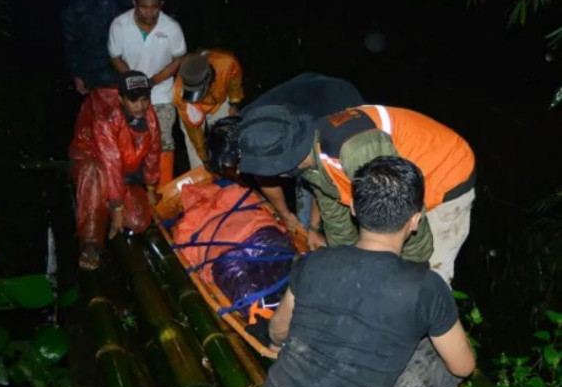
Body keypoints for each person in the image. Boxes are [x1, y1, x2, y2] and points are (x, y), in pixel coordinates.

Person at [263, 156, 475, 387]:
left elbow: (278, 329)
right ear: (415, 219)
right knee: (441, 360)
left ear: (352, 208)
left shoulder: (314, 260)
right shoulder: (427, 289)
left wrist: (277, 345)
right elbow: (463, 368)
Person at [238, 102, 475, 284]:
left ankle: (429, 334)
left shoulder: (355, 150)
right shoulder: (307, 156)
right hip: (400, 182)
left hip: (445, 174)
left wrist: (412, 271)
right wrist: (347, 262)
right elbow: (335, 212)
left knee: (427, 278)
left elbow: (403, 210)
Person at [207, 73, 365, 249]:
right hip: (309, 90)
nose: (236, 172)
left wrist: (313, 227)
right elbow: (263, 173)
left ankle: (312, 229)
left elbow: (324, 176)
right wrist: (285, 215)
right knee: (300, 170)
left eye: (235, 166)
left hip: (339, 104)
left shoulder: (266, 137)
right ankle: (302, 224)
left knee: (324, 183)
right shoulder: (242, 128)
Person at [68, 71, 161, 270]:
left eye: (144, 100)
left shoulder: (150, 116)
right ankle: (90, 242)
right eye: (133, 101)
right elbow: (111, 161)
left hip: (125, 171)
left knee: (138, 221)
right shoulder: (106, 118)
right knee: (95, 172)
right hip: (96, 162)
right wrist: (117, 207)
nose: (140, 106)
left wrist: (151, 189)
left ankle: (110, 207)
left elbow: (153, 153)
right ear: (120, 99)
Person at [107, 0, 186, 190]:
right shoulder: (119, 25)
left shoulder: (171, 27)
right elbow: (114, 56)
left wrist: (152, 81)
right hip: (131, 94)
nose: (149, 13)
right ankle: (130, 192)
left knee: (164, 140)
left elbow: (178, 58)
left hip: (161, 92)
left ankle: (163, 192)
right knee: (127, 141)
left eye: (154, 8)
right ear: (134, 3)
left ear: (161, 5)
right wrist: (133, 81)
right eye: (144, 7)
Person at [173, 50, 244, 169]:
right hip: (193, 107)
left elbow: (235, 82)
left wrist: (234, 104)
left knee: (227, 137)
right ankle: (200, 175)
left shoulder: (227, 63)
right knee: (194, 148)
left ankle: (231, 171)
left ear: (209, 79)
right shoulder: (180, 93)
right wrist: (204, 158)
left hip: (219, 100)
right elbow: (194, 131)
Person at [61, 0, 118, 94]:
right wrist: (76, 74)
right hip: (89, 70)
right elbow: (70, 42)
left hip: (116, 64)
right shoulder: (68, 2)